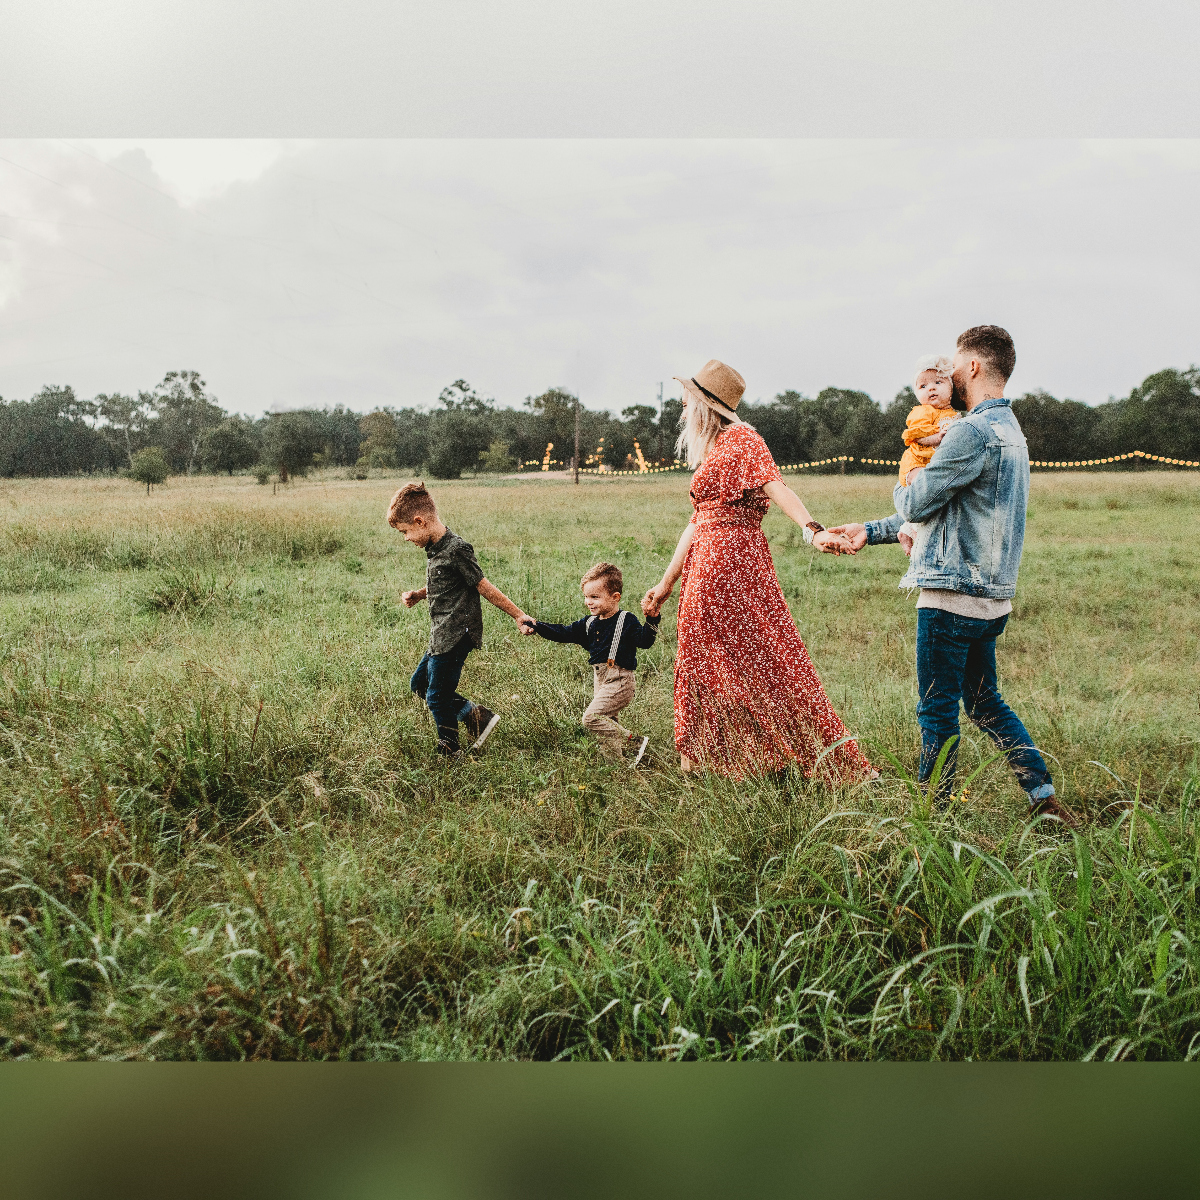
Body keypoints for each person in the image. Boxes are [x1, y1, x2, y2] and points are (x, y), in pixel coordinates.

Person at [827, 325, 1077, 825]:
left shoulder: (969, 431)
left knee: (937, 710)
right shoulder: (1011, 432)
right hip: (991, 600)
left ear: (976, 367)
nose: (950, 376)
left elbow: (919, 500)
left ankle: (933, 818)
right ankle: (1043, 798)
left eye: (956, 367)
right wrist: (871, 531)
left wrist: (910, 480)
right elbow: (948, 511)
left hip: (950, 597)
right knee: (985, 703)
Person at [640, 358, 874, 783]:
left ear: (705, 405)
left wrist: (812, 530)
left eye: (686, 400)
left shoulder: (743, 439)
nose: (681, 408)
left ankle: (777, 755)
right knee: (706, 658)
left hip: (731, 562)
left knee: (762, 658)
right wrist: (666, 582)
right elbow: (697, 521)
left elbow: (776, 485)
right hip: (706, 563)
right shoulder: (714, 448)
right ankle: (710, 758)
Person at [387, 482, 530, 757]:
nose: (405, 538)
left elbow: (483, 586)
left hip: (456, 634)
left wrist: (519, 615)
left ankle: (450, 749)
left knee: (437, 696)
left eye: (405, 531)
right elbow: (448, 582)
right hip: (441, 633)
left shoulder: (457, 548)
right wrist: (420, 594)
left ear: (420, 521)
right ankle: (476, 716)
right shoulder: (437, 549)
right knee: (419, 684)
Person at [518, 561, 659, 765]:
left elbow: (645, 642)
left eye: (594, 597)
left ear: (615, 597)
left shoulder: (626, 620)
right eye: (586, 597)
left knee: (592, 718)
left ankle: (634, 742)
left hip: (620, 680)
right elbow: (563, 632)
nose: (588, 602)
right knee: (607, 723)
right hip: (600, 679)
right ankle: (617, 766)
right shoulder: (589, 623)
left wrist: (652, 621)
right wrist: (537, 625)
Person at [896, 354, 961, 587]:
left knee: (933, 501)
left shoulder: (953, 413)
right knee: (923, 490)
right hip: (917, 463)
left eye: (938, 383)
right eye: (923, 386)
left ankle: (907, 530)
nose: (930, 389)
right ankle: (908, 533)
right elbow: (915, 436)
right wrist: (937, 438)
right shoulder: (922, 412)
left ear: (951, 387)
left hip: (933, 465)